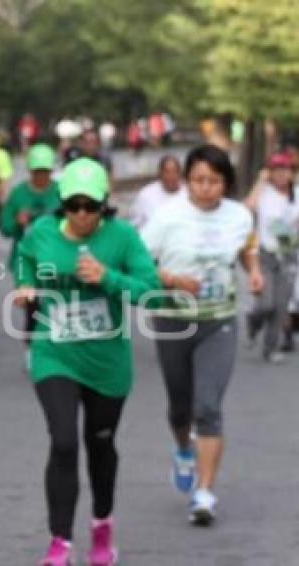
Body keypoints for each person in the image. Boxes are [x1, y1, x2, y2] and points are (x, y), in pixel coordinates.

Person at [16, 158, 160, 565]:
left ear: (104, 205)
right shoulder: (42, 232)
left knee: (100, 446)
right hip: (54, 353)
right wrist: (25, 283)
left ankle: (102, 525)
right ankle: (60, 541)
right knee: (63, 442)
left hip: (106, 363)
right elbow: (23, 258)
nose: (82, 214)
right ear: (62, 204)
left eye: (90, 206)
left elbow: (151, 292)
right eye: (73, 205)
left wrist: (108, 278)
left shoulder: (123, 238)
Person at [141, 144, 264, 526]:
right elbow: (140, 260)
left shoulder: (239, 216)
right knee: (181, 406)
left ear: (225, 182)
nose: (205, 188)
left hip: (218, 319)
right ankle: (182, 449)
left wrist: (254, 271)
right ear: (187, 181)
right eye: (198, 180)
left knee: (208, 406)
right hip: (173, 319)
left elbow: (246, 247)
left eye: (213, 181)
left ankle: (205, 491)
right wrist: (172, 280)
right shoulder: (166, 217)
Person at [0, 143, 60, 369]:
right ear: (30, 171)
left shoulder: (61, 192)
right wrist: (17, 221)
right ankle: (31, 348)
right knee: (32, 306)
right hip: (27, 260)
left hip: (57, 258)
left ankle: (58, 347)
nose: (42, 176)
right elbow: (4, 227)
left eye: (46, 171)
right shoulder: (18, 194)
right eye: (37, 172)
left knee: (58, 303)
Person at [243, 152, 299, 362]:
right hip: (265, 254)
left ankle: (270, 348)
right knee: (266, 303)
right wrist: (260, 180)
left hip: (289, 255)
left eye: (285, 170)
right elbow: (247, 207)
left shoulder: (297, 195)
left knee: (281, 305)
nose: (281, 175)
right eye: (276, 171)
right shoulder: (264, 194)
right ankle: (253, 322)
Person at [130, 155, 187, 229]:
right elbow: (135, 225)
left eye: (175, 172)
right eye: (167, 172)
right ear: (160, 173)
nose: (171, 176)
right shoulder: (146, 195)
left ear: (180, 173)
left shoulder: (189, 193)